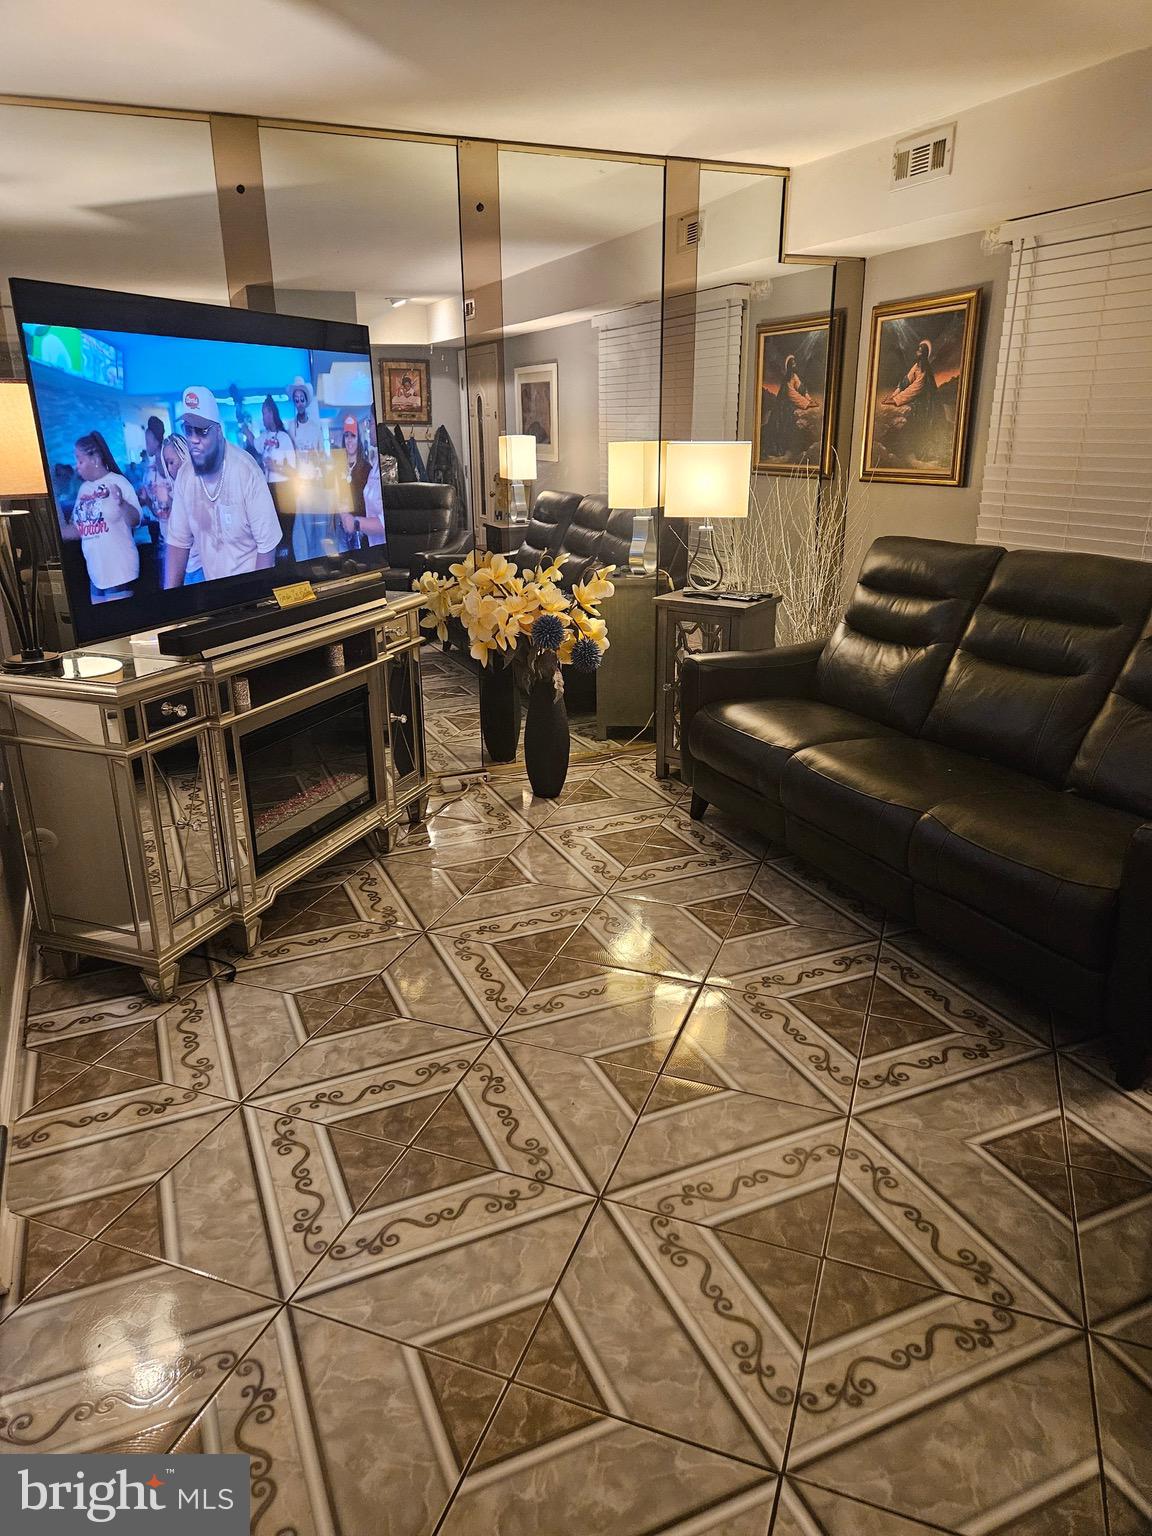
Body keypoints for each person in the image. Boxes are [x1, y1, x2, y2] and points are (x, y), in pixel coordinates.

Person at [163, 385, 283, 588]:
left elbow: (267, 550)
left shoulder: (246, 471)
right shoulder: (185, 476)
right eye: (188, 430)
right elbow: (177, 544)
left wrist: (256, 597)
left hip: (250, 590)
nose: (193, 439)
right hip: (214, 593)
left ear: (218, 431)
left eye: (202, 431)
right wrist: (170, 599)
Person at [58, 431, 141, 603]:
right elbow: (80, 529)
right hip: (96, 572)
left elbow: (136, 520)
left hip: (119, 570)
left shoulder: (119, 482)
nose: (77, 467)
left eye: (80, 461)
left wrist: (121, 503)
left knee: (119, 618)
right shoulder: (84, 489)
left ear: (95, 460)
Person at [286, 376, 335, 560]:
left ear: (306, 401)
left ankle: (322, 559)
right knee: (304, 528)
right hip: (301, 485)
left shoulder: (315, 427)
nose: (299, 403)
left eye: (302, 399)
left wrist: (317, 457)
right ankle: (307, 562)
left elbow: (324, 457)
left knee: (320, 526)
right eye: (296, 400)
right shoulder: (291, 427)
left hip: (317, 482)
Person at [336, 415, 386, 549]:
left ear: (358, 439)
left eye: (353, 436)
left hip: (363, 532)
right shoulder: (338, 468)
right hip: (342, 529)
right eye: (346, 436)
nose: (349, 440)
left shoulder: (367, 469)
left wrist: (355, 523)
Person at [760, 353, 816, 464]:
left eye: (795, 363)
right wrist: (807, 404)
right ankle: (778, 449)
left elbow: (801, 389)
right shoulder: (787, 379)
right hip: (782, 409)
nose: (794, 365)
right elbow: (791, 394)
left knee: (789, 428)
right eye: (792, 363)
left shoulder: (794, 377)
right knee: (780, 427)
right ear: (789, 366)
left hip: (789, 408)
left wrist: (809, 400)